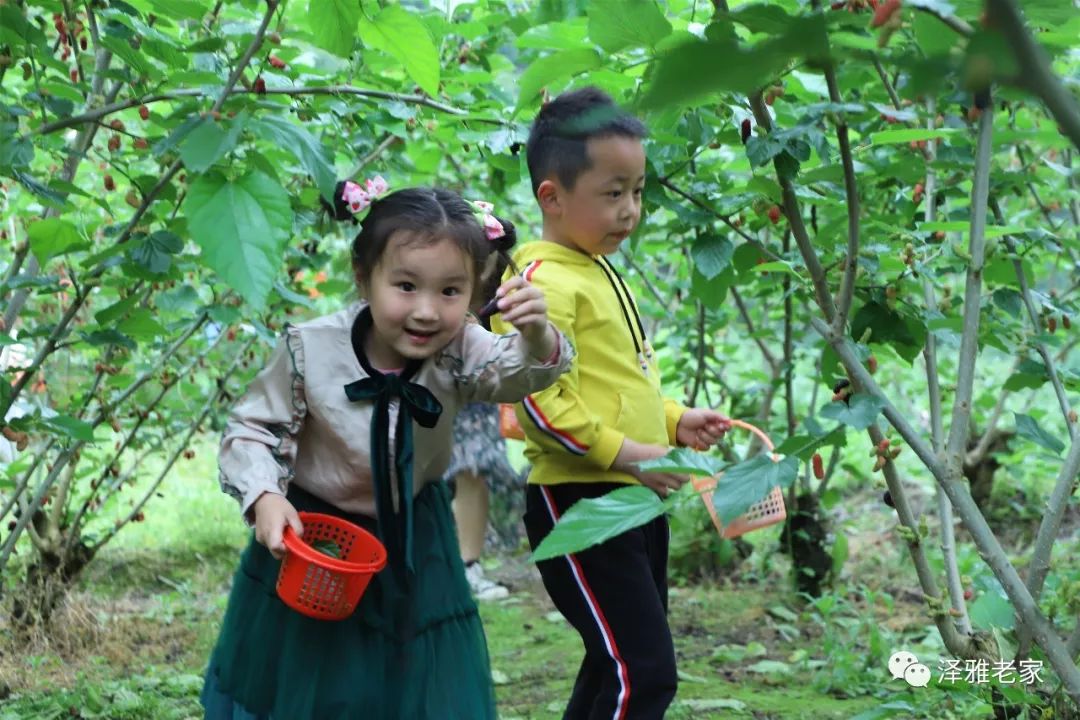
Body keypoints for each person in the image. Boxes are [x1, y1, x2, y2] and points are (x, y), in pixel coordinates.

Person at [200, 182, 574, 720]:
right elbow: (253, 428)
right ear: (363, 277)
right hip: (313, 537)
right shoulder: (311, 348)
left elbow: (516, 374)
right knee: (314, 668)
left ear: (474, 292)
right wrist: (264, 496)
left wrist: (537, 336)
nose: (426, 311)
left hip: (415, 539)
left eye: (450, 291)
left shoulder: (460, 349)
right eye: (405, 285)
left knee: (413, 666)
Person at [490, 87, 733, 719]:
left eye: (638, 191)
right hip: (579, 498)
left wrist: (675, 423)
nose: (630, 211)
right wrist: (629, 456)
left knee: (615, 664)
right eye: (613, 193)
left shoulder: (595, 267)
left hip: (631, 492)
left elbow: (619, 382)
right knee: (643, 674)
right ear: (552, 197)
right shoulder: (538, 287)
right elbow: (538, 402)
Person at [445, 245, 527, 602]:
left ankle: (468, 566)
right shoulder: (440, 280)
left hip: (477, 396)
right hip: (435, 388)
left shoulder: (503, 290)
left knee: (473, 471)